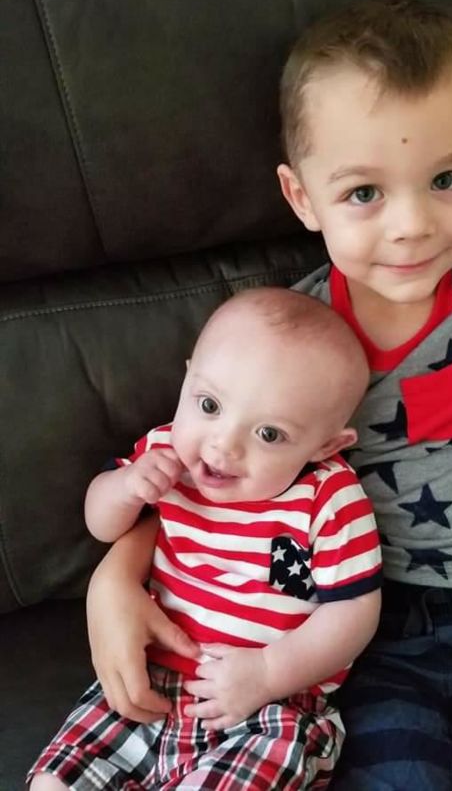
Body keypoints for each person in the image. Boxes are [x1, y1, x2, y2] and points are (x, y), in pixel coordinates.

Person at [84, 0, 452, 789]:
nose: (412, 224)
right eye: (364, 192)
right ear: (302, 197)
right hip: (348, 645)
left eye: (446, 178)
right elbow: (197, 473)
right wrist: (114, 575)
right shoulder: (277, 337)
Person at [28, 287, 382, 790]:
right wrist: (125, 487)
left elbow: (354, 612)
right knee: (54, 780)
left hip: (266, 704)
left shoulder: (328, 497)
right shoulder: (163, 453)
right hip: (149, 678)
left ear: (325, 445)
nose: (223, 445)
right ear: (188, 377)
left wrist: (268, 672)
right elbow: (100, 525)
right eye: (210, 404)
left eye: (269, 434)